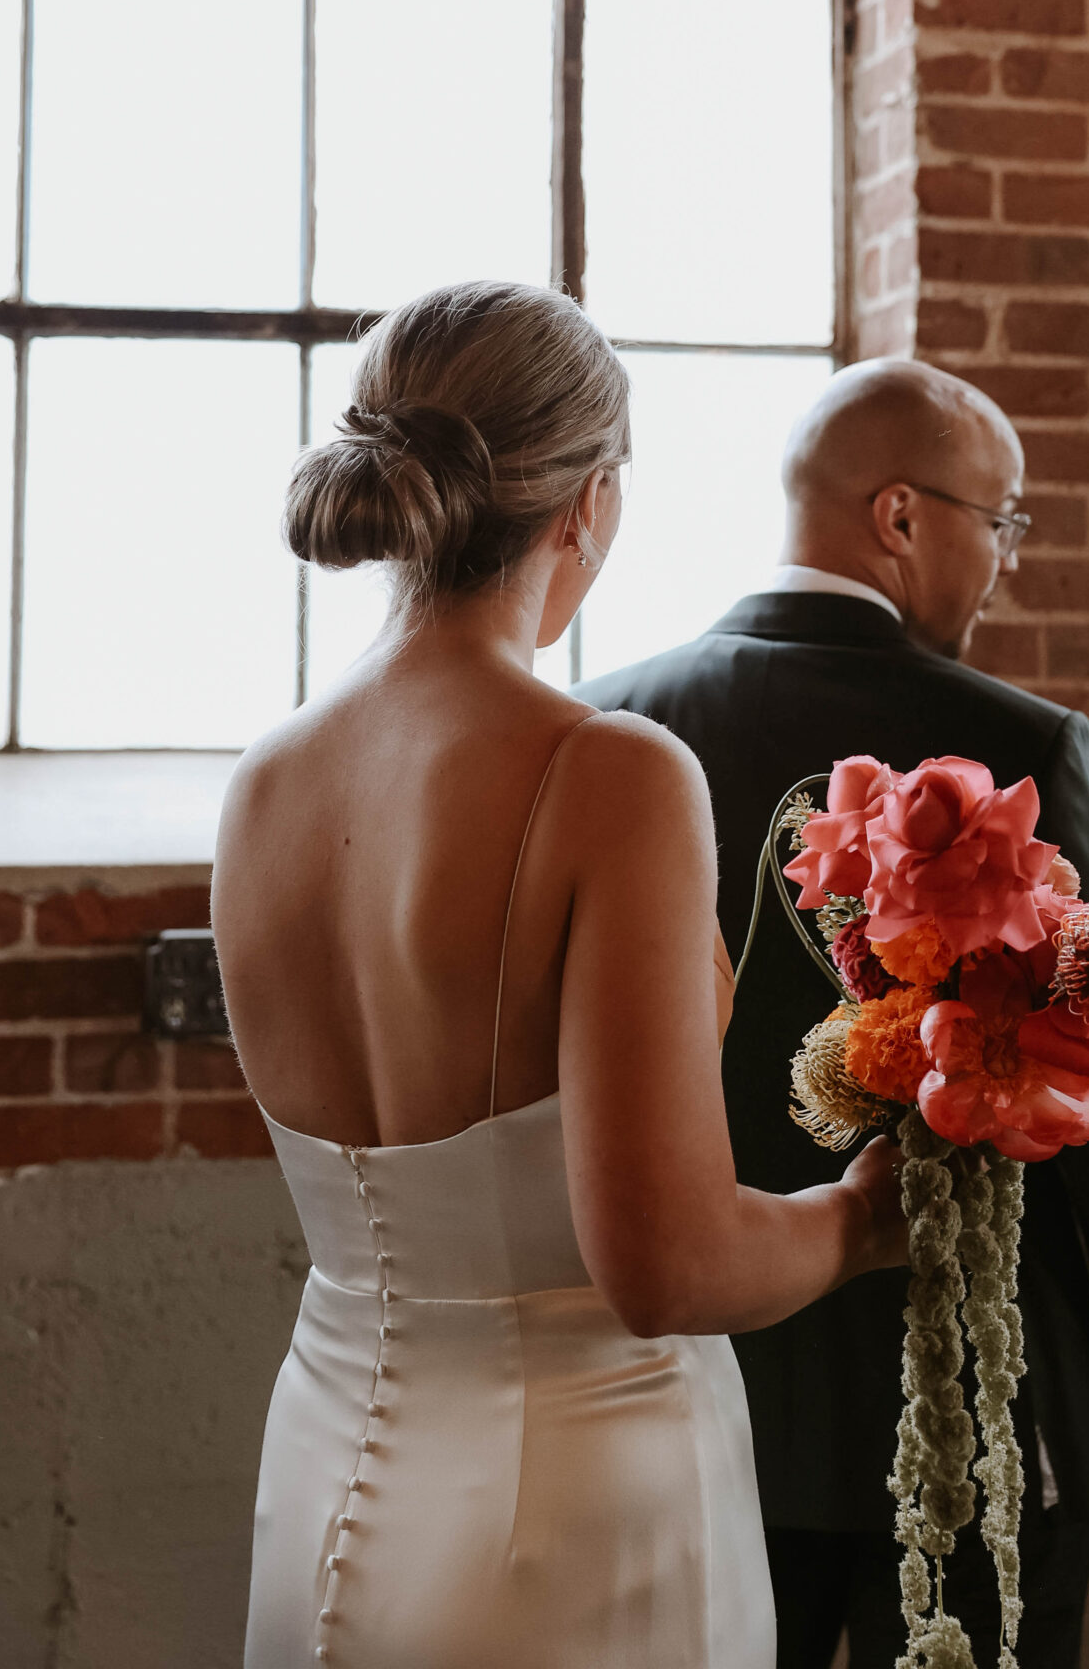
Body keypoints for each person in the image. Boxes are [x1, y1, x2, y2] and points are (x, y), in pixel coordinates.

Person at [212, 282, 909, 1669]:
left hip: (327, 1463)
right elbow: (668, 1264)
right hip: (576, 1509)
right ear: (589, 502)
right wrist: (863, 1219)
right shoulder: (611, 773)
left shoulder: (265, 783)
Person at [578, 356, 1089, 1669]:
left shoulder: (606, 726)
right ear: (902, 516)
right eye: (1003, 523)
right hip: (977, 1411)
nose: (1005, 564)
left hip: (691, 1402)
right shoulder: (1021, 741)